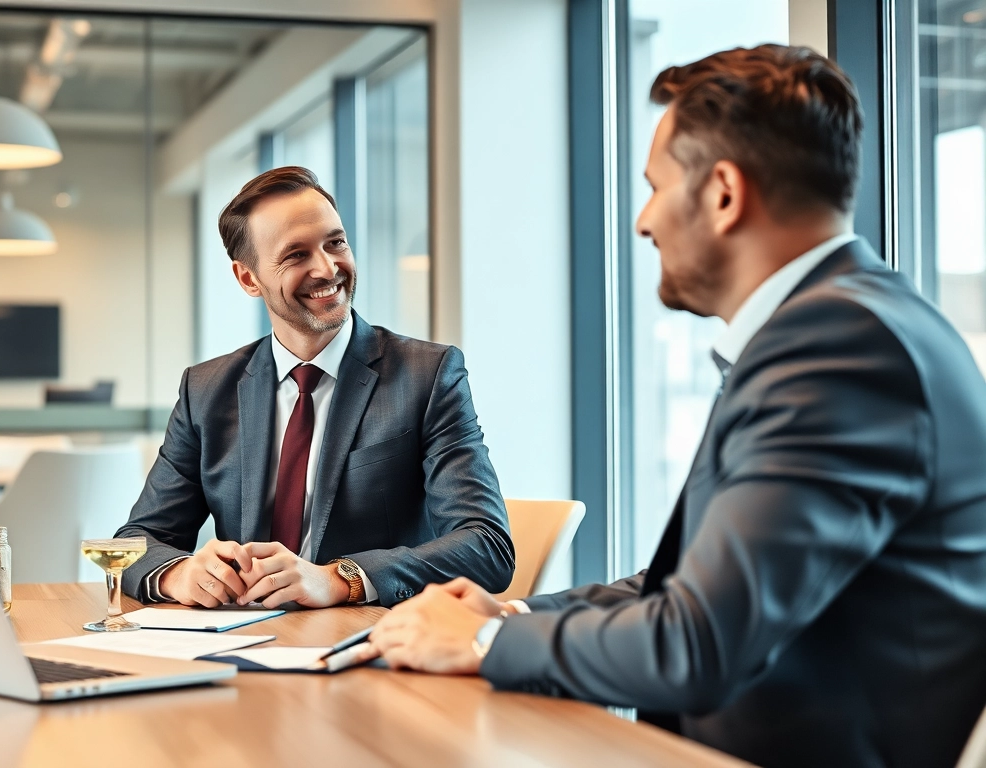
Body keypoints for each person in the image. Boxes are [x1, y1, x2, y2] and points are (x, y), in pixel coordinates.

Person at [369, 45, 986, 768]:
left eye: (655, 187)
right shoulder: (846, 323)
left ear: (723, 193)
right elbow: (685, 590)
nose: (642, 221)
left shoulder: (837, 349)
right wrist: (507, 615)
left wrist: (482, 644)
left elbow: (699, 642)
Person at [115, 166, 514, 609]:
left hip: (367, 643)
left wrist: (340, 579)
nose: (327, 268)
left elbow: (486, 546)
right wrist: (179, 573)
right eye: (296, 255)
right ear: (249, 278)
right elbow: (138, 540)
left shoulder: (428, 375)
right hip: (239, 643)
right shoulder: (206, 390)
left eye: (335, 242)